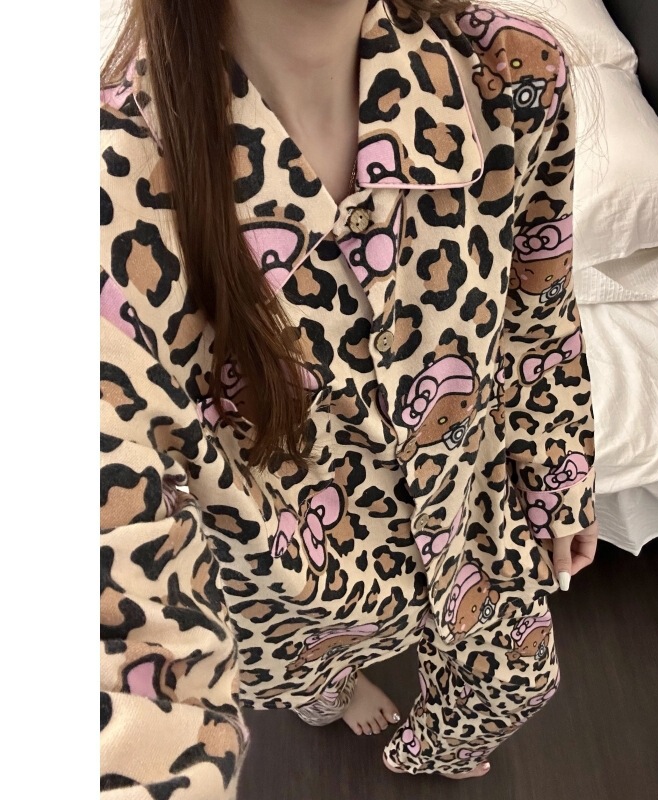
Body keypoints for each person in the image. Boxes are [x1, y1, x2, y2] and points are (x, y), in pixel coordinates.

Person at [100, 0, 599, 795]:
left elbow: (539, 301)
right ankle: (331, 697)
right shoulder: (112, 195)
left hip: (471, 514)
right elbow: (117, 585)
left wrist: (558, 471)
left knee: (517, 683)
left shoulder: (509, 73)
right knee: (312, 688)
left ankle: (430, 754)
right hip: (290, 593)